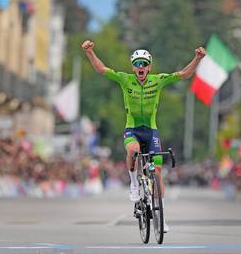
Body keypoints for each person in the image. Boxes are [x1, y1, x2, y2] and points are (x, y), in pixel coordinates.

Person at [81, 40, 206, 233]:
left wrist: (197, 58)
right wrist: (90, 52)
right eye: (137, 64)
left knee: (157, 173)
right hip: (132, 128)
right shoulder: (125, 79)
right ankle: (133, 183)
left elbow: (183, 74)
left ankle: (161, 218)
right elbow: (101, 69)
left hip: (151, 130)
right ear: (133, 67)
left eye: (144, 64)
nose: (141, 67)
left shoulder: (158, 80)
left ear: (149, 67)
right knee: (133, 150)